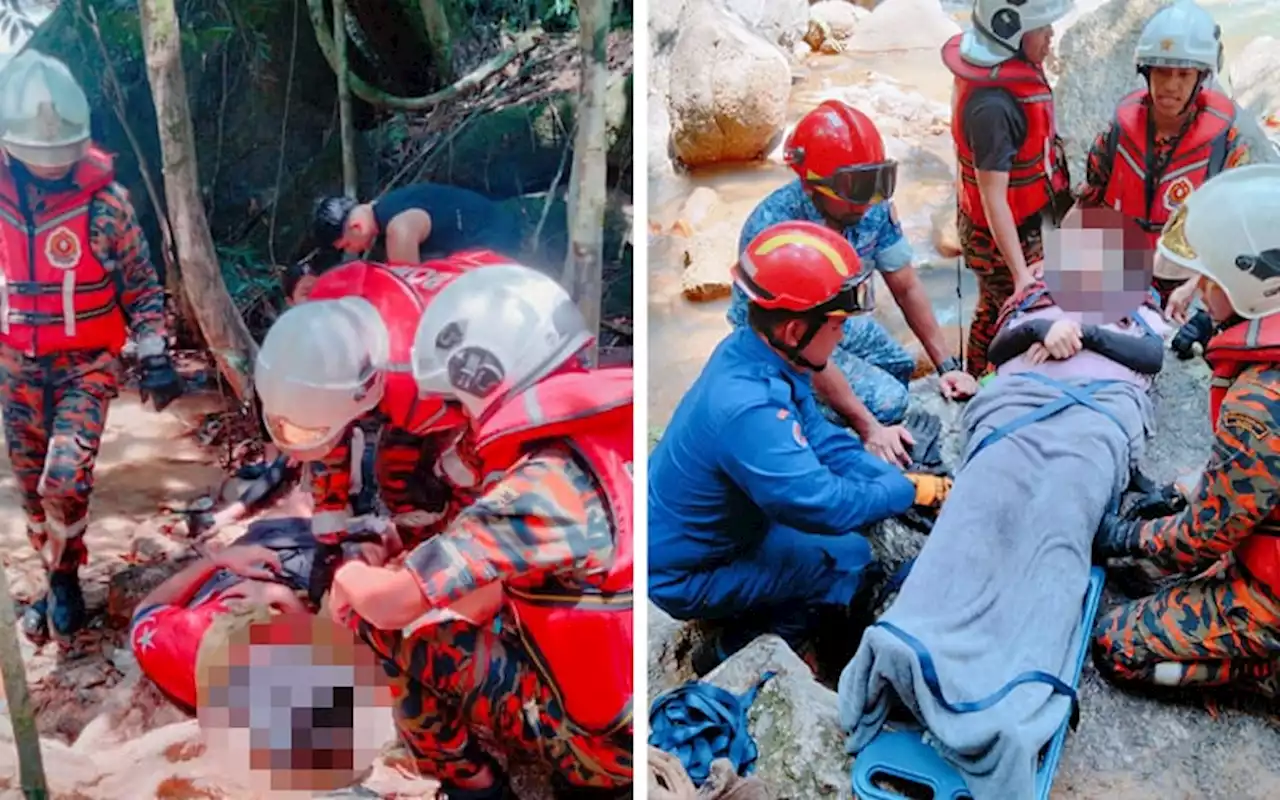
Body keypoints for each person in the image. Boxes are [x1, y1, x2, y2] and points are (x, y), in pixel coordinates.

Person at [839, 211, 1169, 799]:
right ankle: (911, 640)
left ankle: (1013, 688)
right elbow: (1001, 346)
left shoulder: (1140, 308)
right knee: (980, 503)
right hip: (1020, 403)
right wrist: (1046, 329)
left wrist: (1087, 333)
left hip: (1094, 418)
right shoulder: (1040, 293)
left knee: (1060, 518)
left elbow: (1149, 358)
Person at [322, 264, 633, 799]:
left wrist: (349, 572)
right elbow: (492, 588)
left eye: (460, 403)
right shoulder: (608, 436)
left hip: (603, 751)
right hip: (629, 694)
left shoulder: (541, 487)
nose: (462, 421)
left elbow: (393, 604)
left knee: (383, 627)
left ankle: (473, 784)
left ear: (486, 376)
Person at [649, 221, 954, 678]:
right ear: (795, 330)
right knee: (847, 558)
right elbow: (823, 507)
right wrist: (904, 494)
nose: (843, 337)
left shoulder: (756, 353)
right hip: (686, 574)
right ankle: (735, 647)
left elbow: (821, 437)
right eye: (836, 326)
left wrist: (885, 477)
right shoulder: (748, 409)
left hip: (709, 538)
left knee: (847, 528)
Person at [0, 50, 185, 644]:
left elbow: (141, 284)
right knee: (32, 492)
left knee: (64, 479)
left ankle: (67, 575)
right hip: (14, 366)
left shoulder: (106, 206)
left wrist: (155, 353)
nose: (53, 168)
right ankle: (55, 572)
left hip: (87, 365)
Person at [1091, 164, 1280, 698]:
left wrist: (1129, 537)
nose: (1200, 296)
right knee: (1183, 494)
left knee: (1119, 646)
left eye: (1211, 281)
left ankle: (1264, 669)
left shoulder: (1260, 398)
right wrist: (1183, 492)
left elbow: (1204, 538)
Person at [254, 253, 510, 604]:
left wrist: (454, 494)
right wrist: (329, 540)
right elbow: (332, 442)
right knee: (400, 477)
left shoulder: (424, 381)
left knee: (430, 483)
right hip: (438, 337)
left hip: (501, 349)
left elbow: (493, 437)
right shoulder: (322, 320)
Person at [735, 100, 977, 464]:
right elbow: (796, 343)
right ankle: (811, 430)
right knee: (889, 400)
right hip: (780, 341)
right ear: (812, 184)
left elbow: (906, 285)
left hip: (836, 322)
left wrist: (947, 366)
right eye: (854, 188)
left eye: (874, 182)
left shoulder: (872, 207)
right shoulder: (776, 228)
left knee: (900, 365)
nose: (865, 203)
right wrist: (869, 429)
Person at [1076, 0, 1254, 356]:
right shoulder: (1115, 136)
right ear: (1146, 72)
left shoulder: (1227, 149)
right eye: (1162, 72)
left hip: (1188, 280)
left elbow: (1238, 237)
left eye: (1184, 75)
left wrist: (1195, 286)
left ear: (1201, 79)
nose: (1170, 85)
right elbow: (1088, 207)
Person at [130, 516, 401, 711]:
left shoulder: (169, 645)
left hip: (238, 573)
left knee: (286, 527)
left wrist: (218, 559)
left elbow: (145, 610)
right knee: (367, 547)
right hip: (284, 581)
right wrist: (282, 600)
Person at [942, 0, 1075, 378]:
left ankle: (979, 372)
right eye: (1043, 28)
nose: (1052, 36)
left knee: (992, 305)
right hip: (1002, 232)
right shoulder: (993, 107)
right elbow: (992, 196)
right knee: (1012, 307)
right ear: (1012, 34)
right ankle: (989, 383)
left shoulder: (1008, 71)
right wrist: (1019, 274)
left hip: (1033, 213)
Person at [312, 183, 523, 265]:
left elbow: (411, 290)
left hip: (513, 245)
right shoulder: (388, 203)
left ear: (355, 227)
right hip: (506, 216)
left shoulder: (398, 229)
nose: (353, 250)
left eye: (347, 245)